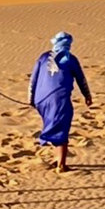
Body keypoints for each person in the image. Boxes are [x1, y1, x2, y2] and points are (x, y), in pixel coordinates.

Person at [29, 32, 92, 173]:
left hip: (41, 100)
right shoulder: (71, 59)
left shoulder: (43, 57)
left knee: (53, 125)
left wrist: (31, 98)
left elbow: (33, 79)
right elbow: (81, 79)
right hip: (59, 100)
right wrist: (87, 95)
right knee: (62, 129)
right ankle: (61, 165)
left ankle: (57, 158)